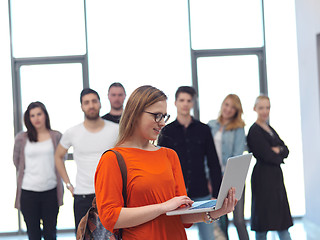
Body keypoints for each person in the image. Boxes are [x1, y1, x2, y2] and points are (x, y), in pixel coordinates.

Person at [94, 85, 237, 240]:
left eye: (164, 117)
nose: (162, 123)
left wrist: (216, 212)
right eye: (157, 116)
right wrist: (162, 207)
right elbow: (110, 217)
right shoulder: (112, 159)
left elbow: (180, 215)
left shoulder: (169, 155)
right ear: (135, 114)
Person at [158, 86, 222, 240]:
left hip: (201, 193)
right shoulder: (166, 131)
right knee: (175, 235)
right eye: (182, 100)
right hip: (176, 194)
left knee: (208, 236)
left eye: (188, 100)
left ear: (193, 103)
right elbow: (161, 165)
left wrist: (217, 193)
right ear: (175, 102)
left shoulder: (204, 129)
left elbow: (213, 162)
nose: (185, 104)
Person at [55, 88, 119, 232]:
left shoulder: (116, 130)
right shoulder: (72, 132)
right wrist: (68, 184)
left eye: (94, 101)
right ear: (82, 107)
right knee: (83, 235)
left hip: (110, 195)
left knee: (113, 235)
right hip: (82, 196)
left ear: (100, 104)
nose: (91, 105)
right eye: (86, 102)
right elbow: (58, 156)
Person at [13, 101, 63, 240]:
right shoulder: (21, 138)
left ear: (45, 115)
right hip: (28, 192)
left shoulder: (56, 136)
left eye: (39, 114)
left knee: (50, 233)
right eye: (32, 115)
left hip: (51, 191)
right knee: (33, 234)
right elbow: (17, 161)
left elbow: (61, 160)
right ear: (28, 118)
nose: (36, 118)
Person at [247, 95, 293, 240]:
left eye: (267, 107)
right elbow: (267, 155)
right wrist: (277, 152)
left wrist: (278, 150)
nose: (265, 111)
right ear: (255, 109)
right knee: (263, 222)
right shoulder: (254, 131)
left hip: (275, 178)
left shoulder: (269, 128)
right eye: (261, 108)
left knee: (282, 222)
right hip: (263, 179)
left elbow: (286, 149)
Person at [208, 94, 249, 240]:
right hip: (214, 178)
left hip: (233, 178)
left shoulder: (238, 128)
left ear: (237, 111)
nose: (228, 109)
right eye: (227, 104)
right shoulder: (211, 125)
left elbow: (238, 154)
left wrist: (226, 176)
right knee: (221, 220)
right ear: (222, 105)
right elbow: (206, 155)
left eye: (233, 107)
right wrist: (210, 178)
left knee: (238, 220)